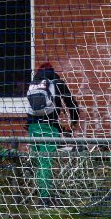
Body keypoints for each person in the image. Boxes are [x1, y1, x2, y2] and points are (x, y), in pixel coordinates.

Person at [24, 62, 79, 204]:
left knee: (38, 161)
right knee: (46, 162)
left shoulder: (33, 84)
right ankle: (45, 199)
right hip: (48, 128)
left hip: (32, 127)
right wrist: (74, 122)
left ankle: (35, 193)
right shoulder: (57, 83)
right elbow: (71, 103)